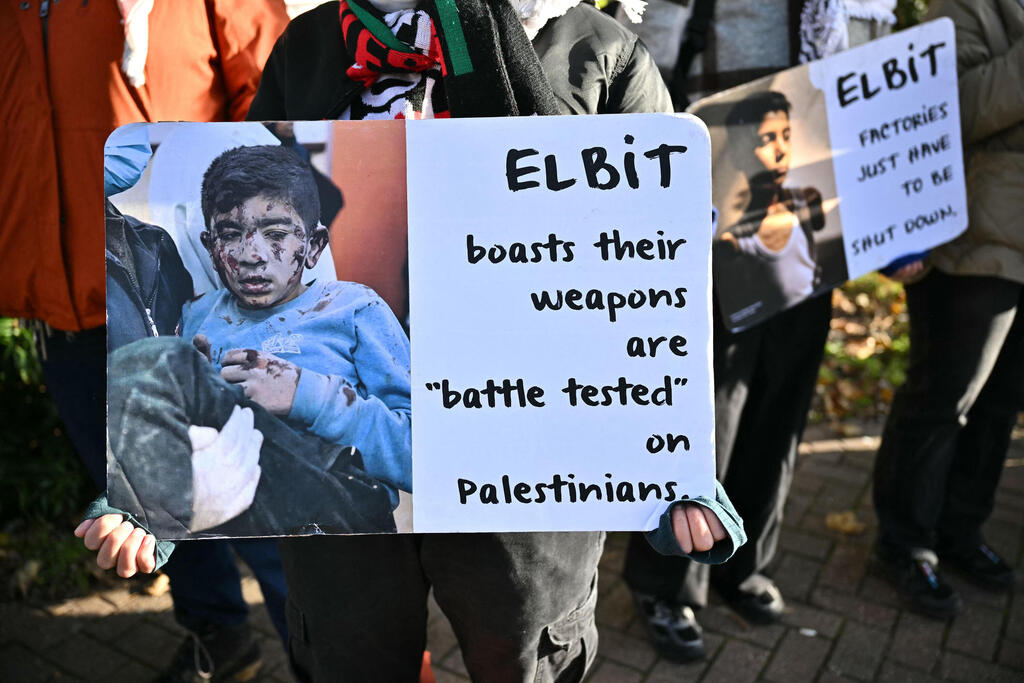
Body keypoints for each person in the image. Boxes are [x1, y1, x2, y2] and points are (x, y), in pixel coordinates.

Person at [78, 2, 747, 681]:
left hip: (527, 483)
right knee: (349, 660)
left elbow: (660, 273)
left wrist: (668, 468)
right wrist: (150, 489)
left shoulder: (596, 50)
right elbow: (195, 358)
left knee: (523, 658)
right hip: (338, 509)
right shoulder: (310, 47)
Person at [0, 3, 294, 680]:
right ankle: (218, 635)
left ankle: (338, 660)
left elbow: (279, 97)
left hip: (183, 294)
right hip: (63, 298)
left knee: (264, 508)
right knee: (143, 497)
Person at [621, 0, 895, 663]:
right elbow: (649, 70)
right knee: (704, 407)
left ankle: (743, 561)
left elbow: (873, 87)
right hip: (711, 204)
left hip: (811, 202)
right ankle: (669, 580)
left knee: (783, 392)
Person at [871, 0, 1024, 618]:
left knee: (1000, 405)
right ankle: (905, 545)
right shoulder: (963, 8)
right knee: (944, 400)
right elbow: (954, 109)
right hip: (972, 245)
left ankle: (962, 530)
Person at [716, 90, 826, 327]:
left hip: (807, 321)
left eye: (786, 136)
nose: (781, 151)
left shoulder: (805, 201)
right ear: (739, 153)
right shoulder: (732, 241)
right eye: (766, 140)